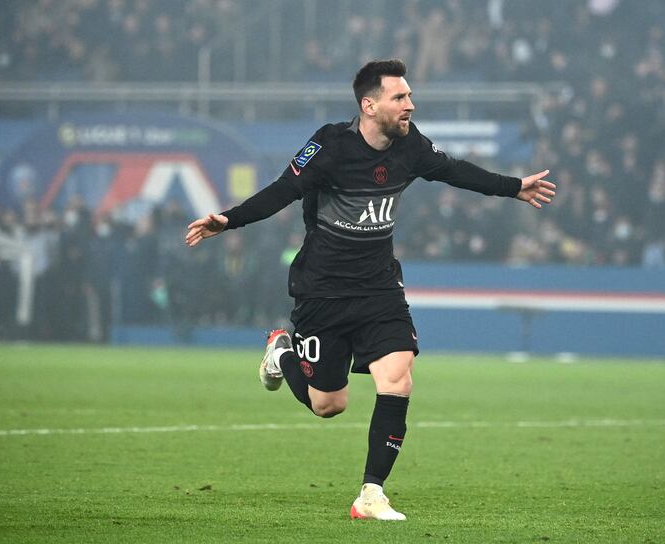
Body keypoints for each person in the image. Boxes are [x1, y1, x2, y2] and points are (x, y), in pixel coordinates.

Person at [185, 59, 556, 520]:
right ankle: (281, 352)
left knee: (398, 379)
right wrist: (230, 219)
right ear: (369, 104)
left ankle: (371, 494)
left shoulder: (411, 145)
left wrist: (513, 187)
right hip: (323, 289)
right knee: (328, 404)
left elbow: (455, 170)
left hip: (380, 287)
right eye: (400, 97)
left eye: (409, 96)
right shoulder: (328, 145)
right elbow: (283, 190)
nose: (410, 105)